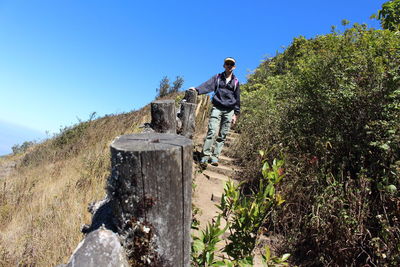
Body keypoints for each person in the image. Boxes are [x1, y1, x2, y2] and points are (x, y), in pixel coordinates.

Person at [189, 57, 240, 166]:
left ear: (234, 67)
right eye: (227, 63)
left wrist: (235, 114)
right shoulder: (217, 78)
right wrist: (197, 90)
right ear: (224, 65)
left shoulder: (235, 81)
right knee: (212, 131)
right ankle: (205, 156)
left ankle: (215, 157)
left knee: (223, 134)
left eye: (231, 64)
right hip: (217, 107)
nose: (229, 65)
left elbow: (237, 98)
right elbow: (207, 85)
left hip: (229, 110)